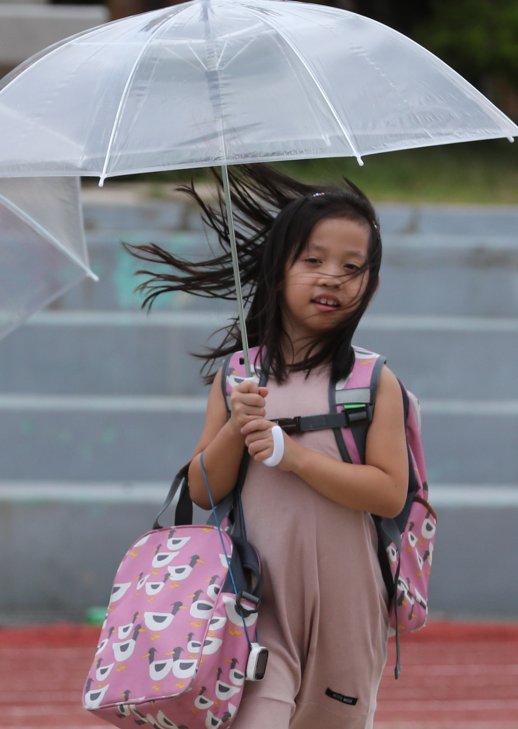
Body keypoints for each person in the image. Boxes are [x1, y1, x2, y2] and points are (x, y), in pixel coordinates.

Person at [128, 166, 410, 728]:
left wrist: (293, 455)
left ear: (371, 286)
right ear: (277, 270)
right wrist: (237, 426)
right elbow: (205, 490)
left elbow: (388, 493)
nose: (332, 278)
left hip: (348, 606)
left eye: (352, 268)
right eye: (312, 261)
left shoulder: (374, 382)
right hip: (256, 601)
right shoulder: (237, 377)